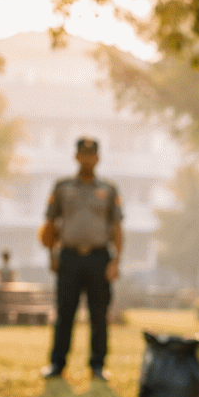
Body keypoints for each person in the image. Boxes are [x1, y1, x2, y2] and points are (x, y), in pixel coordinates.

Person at [39, 136, 123, 379]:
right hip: (69, 257)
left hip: (99, 258)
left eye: (92, 155)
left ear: (98, 158)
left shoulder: (108, 190)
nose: (87, 159)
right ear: (76, 157)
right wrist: (51, 254)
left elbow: (116, 228)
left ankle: (97, 365)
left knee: (99, 314)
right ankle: (57, 364)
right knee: (65, 312)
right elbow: (50, 224)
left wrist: (116, 261)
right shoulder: (62, 187)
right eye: (83, 154)